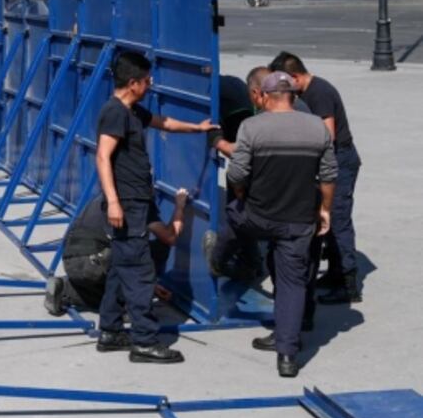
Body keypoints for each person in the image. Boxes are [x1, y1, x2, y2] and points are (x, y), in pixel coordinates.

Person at [205, 71, 336, 378]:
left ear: (264, 97)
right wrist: (326, 210)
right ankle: (287, 356)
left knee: (234, 219)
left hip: (258, 217)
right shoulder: (317, 128)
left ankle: (219, 260)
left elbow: (237, 174)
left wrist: (240, 193)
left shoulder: (252, 127)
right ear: (293, 95)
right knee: (291, 282)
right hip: (298, 221)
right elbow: (329, 175)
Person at [94, 52, 216, 363]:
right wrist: (114, 202)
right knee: (139, 272)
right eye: (147, 81)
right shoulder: (115, 113)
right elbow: (102, 157)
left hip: (138, 202)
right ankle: (144, 342)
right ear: (133, 83)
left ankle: (109, 330)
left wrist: (198, 128)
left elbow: (166, 122)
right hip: (128, 204)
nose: (150, 85)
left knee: (122, 270)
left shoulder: (133, 111)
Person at [269, 52, 362, 304]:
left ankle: (348, 283)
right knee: (327, 222)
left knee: (337, 219)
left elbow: (327, 135)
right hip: (331, 161)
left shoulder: (318, 93)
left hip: (339, 161)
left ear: (296, 76)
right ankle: (334, 273)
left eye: (286, 83)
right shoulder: (307, 91)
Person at [44, 188, 190, 316]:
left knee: (106, 298)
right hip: (96, 263)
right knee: (156, 247)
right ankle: (129, 302)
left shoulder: (104, 196)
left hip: (72, 261)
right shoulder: (137, 200)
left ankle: (66, 289)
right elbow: (169, 237)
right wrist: (180, 206)